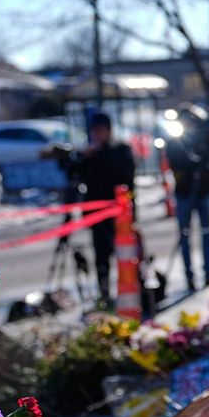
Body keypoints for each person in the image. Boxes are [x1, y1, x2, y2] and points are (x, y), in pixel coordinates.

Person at [75, 112, 135, 305]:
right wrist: (83, 158)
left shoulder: (120, 150)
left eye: (100, 131)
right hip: (96, 213)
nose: (97, 135)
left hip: (119, 215)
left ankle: (129, 292)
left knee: (125, 255)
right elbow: (77, 175)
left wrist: (102, 154)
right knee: (100, 256)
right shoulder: (89, 153)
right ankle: (104, 292)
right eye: (94, 131)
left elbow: (127, 176)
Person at [165, 105, 209, 290]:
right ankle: (189, 276)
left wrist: (207, 172)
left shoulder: (205, 137)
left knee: (207, 233)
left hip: (203, 191)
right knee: (185, 235)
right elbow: (175, 161)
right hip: (184, 192)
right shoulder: (176, 140)